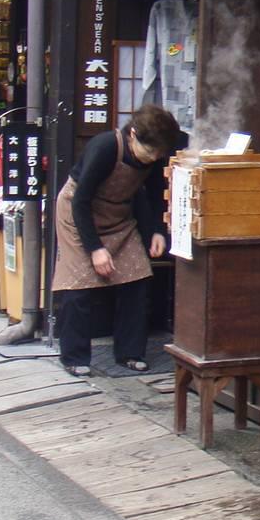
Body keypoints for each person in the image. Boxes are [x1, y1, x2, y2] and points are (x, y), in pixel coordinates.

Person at [51, 103, 183, 375]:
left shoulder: (154, 155)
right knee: (79, 286)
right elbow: (80, 201)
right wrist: (95, 248)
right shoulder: (105, 147)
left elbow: (155, 193)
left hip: (119, 216)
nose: (153, 157)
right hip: (77, 215)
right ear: (132, 134)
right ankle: (74, 357)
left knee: (137, 279)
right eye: (149, 151)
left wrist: (156, 230)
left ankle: (130, 353)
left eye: (159, 153)